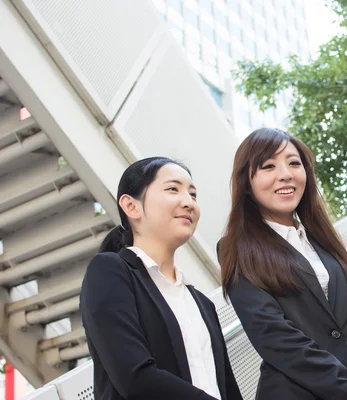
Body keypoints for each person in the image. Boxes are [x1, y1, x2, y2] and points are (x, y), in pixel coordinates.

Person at [219, 128, 347, 400]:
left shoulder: (322, 239)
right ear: (247, 181)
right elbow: (274, 337)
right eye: (268, 166)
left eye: (294, 163)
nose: (286, 174)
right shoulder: (237, 247)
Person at [80, 157, 242, 400]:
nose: (188, 202)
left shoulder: (201, 303)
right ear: (131, 206)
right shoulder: (110, 271)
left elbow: (227, 388)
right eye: (173, 189)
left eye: (193, 194)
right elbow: (136, 378)